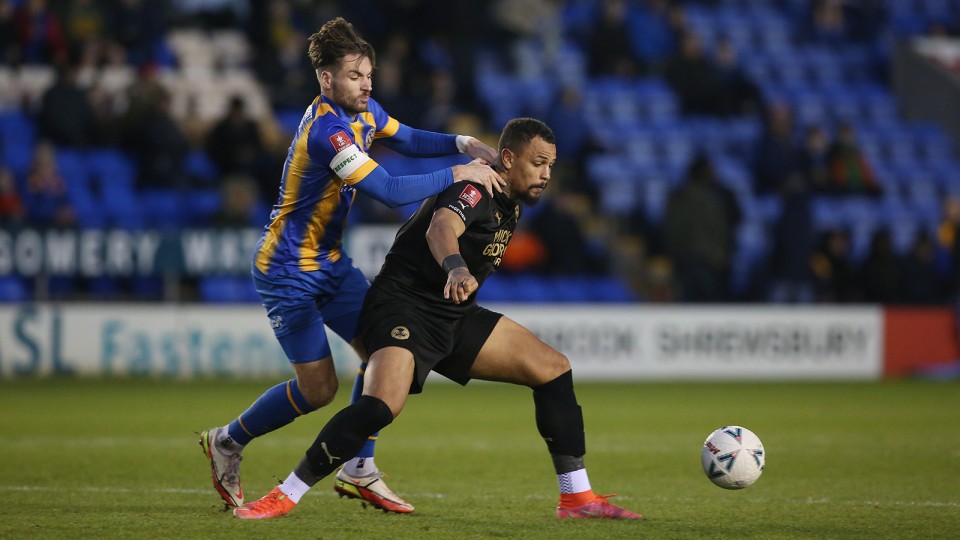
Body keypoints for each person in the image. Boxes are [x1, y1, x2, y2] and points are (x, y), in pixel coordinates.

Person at [232, 117, 643, 521]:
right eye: (538, 163)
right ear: (508, 158)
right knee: (380, 406)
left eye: (550, 165)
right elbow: (441, 228)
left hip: (452, 314)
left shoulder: (510, 200)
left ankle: (577, 498)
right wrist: (456, 268)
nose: (546, 174)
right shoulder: (475, 188)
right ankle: (285, 494)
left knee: (553, 368)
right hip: (403, 307)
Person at [199, 17, 504, 514]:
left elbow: (407, 138)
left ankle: (360, 467)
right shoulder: (328, 132)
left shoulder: (364, 110)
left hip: (332, 264)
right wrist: (459, 172)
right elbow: (388, 190)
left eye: (369, 75)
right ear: (326, 79)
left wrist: (462, 143)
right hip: (287, 271)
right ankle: (227, 441)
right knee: (319, 390)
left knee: (386, 350)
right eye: (355, 76)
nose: (367, 85)